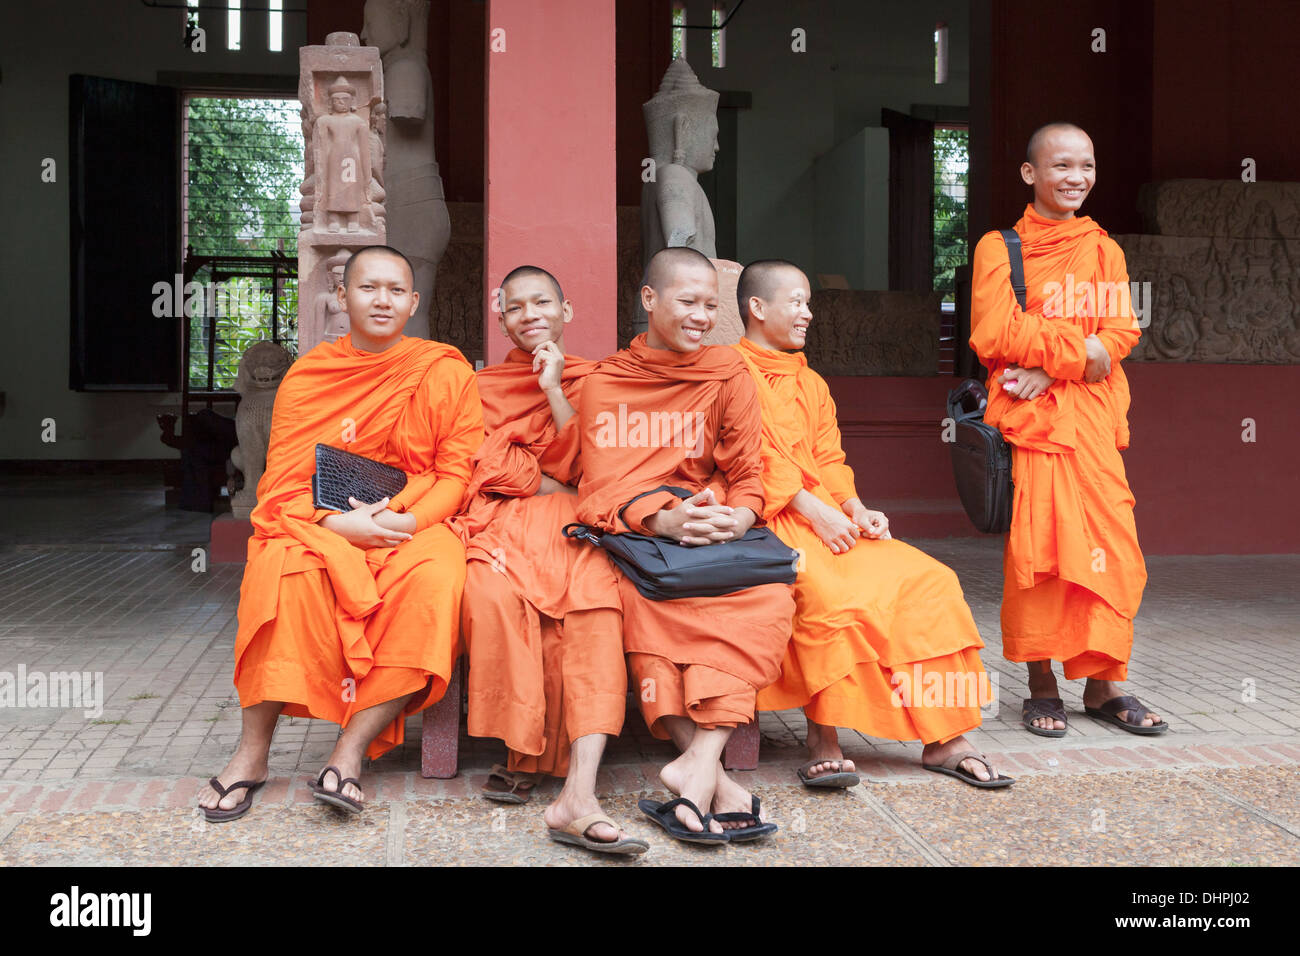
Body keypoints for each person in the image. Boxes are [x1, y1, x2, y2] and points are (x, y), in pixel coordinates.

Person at [198, 245, 483, 821]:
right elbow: (280, 481)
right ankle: (252, 754)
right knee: (280, 569)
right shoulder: (311, 374)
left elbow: (457, 472)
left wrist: (407, 522)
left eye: (396, 290)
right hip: (323, 519)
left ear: (414, 301)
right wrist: (337, 523)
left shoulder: (443, 368)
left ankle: (348, 753)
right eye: (369, 288)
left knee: (437, 582)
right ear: (342, 297)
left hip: (415, 518)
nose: (383, 301)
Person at [736, 259, 1012, 789]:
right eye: (796, 302)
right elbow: (739, 461)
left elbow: (830, 459)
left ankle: (944, 736)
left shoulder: (810, 381)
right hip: (767, 519)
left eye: (808, 303)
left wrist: (855, 508)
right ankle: (824, 734)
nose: (807, 314)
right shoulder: (727, 373)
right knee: (828, 594)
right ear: (757, 307)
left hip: (828, 518)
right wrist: (809, 509)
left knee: (931, 581)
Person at [576, 247, 796, 844]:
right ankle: (716, 785)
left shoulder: (728, 373)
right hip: (644, 542)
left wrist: (739, 515)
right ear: (649, 299)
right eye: (687, 302)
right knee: (650, 609)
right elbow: (597, 488)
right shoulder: (607, 382)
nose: (702, 316)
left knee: (773, 601)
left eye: (710, 305)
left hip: (714, 532)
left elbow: (751, 472)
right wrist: (662, 519)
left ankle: (696, 766)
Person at [969, 123, 1165, 737]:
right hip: (1037, 429)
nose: (1075, 178)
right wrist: (1071, 355)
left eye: (1086, 166)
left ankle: (1105, 686)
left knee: (1115, 555)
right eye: (1061, 166)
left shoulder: (1103, 248)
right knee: (1041, 555)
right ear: (1031, 174)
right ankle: (1042, 683)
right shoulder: (999, 248)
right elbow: (994, 334)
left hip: (1091, 425)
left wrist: (1047, 365)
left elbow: (1121, 337)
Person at [450, 265, 646, 856]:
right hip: (501, 521)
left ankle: (576, 782)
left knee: (592, 612)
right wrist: (543, 487)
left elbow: (593, 467)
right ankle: (525, 748)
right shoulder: (478, 386)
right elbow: (473, 465)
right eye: (515, 307)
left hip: (578, 524)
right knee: (490, 597)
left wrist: (556, 388)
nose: (529, 315)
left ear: (567, 312)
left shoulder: (598, 380)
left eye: (542, 303)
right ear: (501, 317)